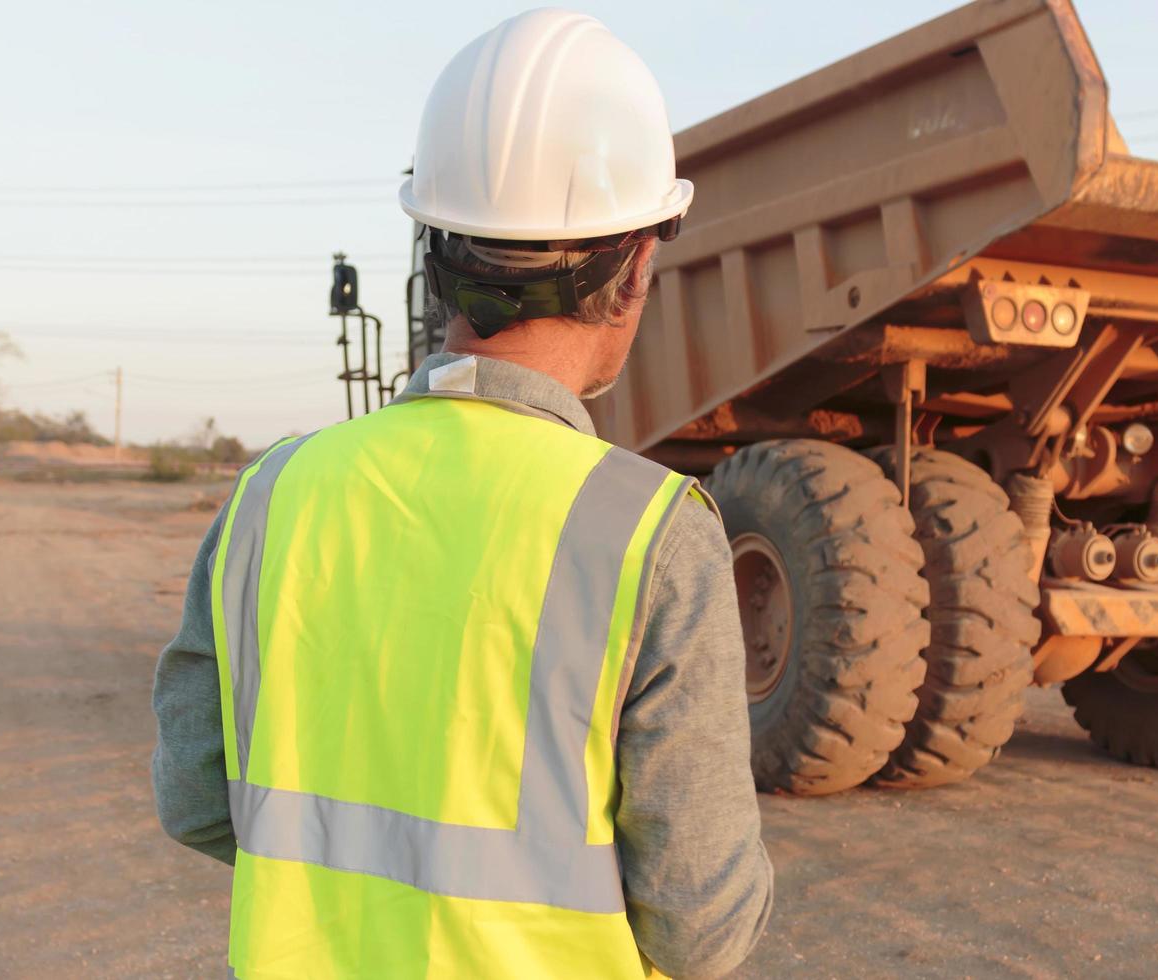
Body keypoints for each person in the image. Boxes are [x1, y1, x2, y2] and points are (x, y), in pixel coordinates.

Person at [150, 9, 773, 978]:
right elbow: (703, 926)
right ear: (639, 264)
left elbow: (195, 795)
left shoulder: (273, 498)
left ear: (430, 247)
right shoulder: (650, 536)